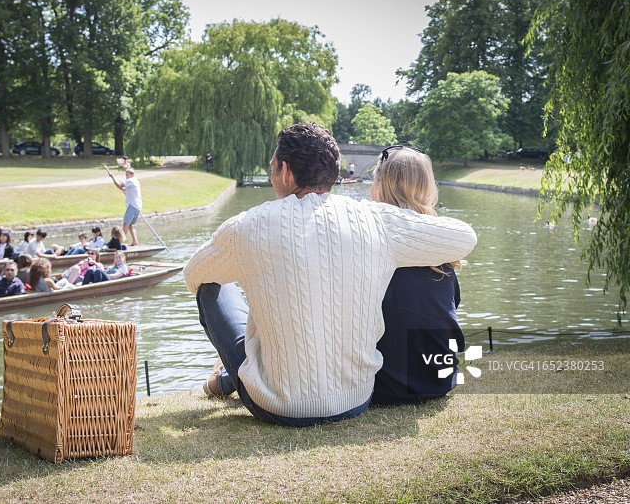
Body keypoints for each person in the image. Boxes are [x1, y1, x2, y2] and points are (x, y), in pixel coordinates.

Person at [183, 123, 477, 427]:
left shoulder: (246, 226)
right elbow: (465, 238)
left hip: (279, 406)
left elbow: (193, 274)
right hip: (356, 400)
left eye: (272, 170)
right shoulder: (373, 219)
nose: (272, 177)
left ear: (285, 171)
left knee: (211, 286)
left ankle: (232, 374)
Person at [369, 146, 466, 406]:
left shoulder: (369, 244)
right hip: (439, 380)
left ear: (379, 186)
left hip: (384, 386)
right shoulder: (443, 249)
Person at [107, 166, 142, 246]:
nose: (126, 176)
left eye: (128, 174)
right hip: (137, 207)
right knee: (130, 225)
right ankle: (135, 241)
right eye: (126, 175)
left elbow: (119, 186)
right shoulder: (135, 181)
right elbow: (124, 189)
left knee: (126, 224)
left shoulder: (130, 181)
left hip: (133, 206)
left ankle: (119, 242)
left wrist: (112, 177)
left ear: (132, 175)